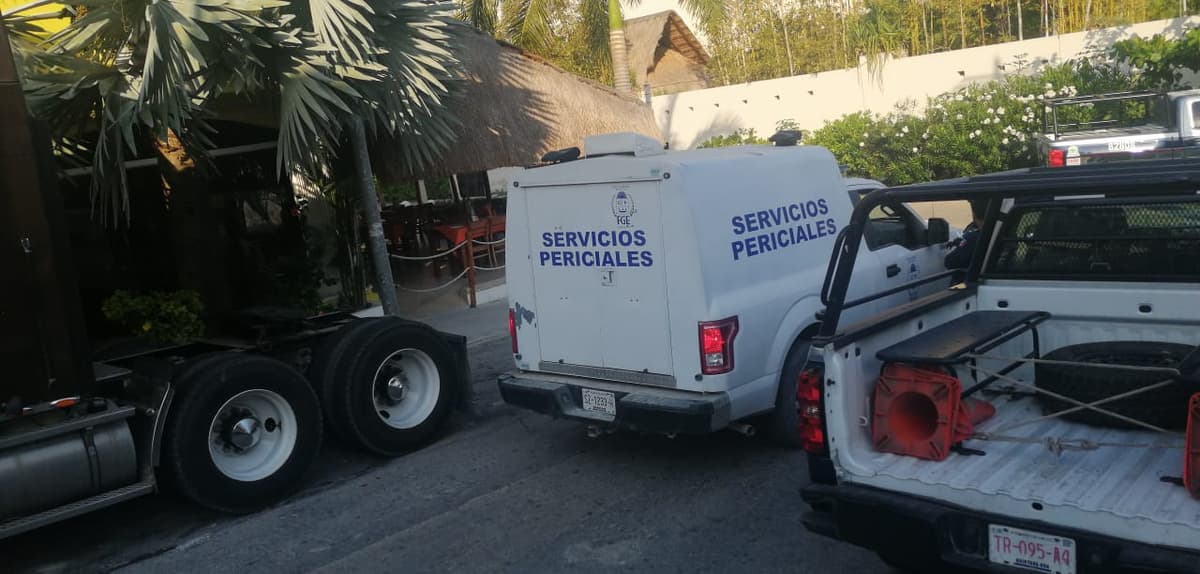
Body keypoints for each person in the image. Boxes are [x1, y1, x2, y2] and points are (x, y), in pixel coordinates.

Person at [944, 199, 987, 270]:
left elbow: (950, 262)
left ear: (974, 214)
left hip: (971, 278)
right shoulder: (998, 232)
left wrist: (957, 247)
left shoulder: (972, 237)